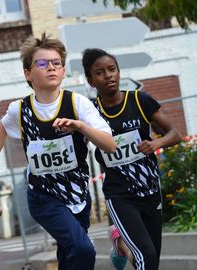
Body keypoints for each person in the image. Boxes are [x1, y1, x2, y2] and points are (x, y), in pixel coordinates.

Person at [0, 33, 116, 270]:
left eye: (57, 63)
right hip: (43, 196)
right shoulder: (20, 109)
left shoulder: (77, 104)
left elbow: (110, 144)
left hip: (77, 194)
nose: (51, 68)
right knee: (83, 248)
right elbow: (2, 127)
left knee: (70, 252)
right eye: (42, 64)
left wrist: (80, 126)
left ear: (63, 71)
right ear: (28, 73)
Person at [82, 48, 182, 270]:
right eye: (100, 73)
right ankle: (124, 242)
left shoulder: (139, 100)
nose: (108, 76)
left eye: (112, 69)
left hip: (149, 189)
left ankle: (121, 245)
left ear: (119, 72)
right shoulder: (90, 112)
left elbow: (175, 135)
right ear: (91, 80)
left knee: (151, 258)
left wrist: (156, 144)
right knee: (145, 255)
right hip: (120, 195)